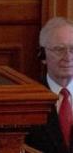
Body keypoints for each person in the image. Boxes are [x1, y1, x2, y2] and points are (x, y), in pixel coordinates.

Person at [26, 17, 73, 153]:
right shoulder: (29, 101)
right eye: (59, 49)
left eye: (72, 49)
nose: (68, 57)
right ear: (43, 55)